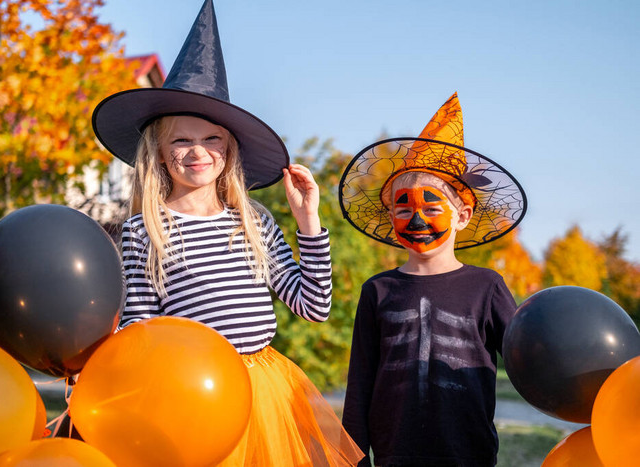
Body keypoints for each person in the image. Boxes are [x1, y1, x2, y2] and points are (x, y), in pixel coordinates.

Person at [91, 1, 363, 465]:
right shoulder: (143, 232)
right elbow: (138, 328)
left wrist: (308, 222)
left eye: (211, 139)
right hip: (192, 394)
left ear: (229, 150)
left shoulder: (254, 222)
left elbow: (314, 307)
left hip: (263, 394)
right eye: (181, 140)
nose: (197, 151)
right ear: (158, 153)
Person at [338, 93, 527, 467]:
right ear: (391, 219)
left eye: (431, 207)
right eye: (404, 208)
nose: (417, 221)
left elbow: (529, 358)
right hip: (393, 455)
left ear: (462, 216)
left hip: (467, 454)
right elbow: (360, 381)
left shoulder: (486, 288)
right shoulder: (377, 290)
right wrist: (353, 455)